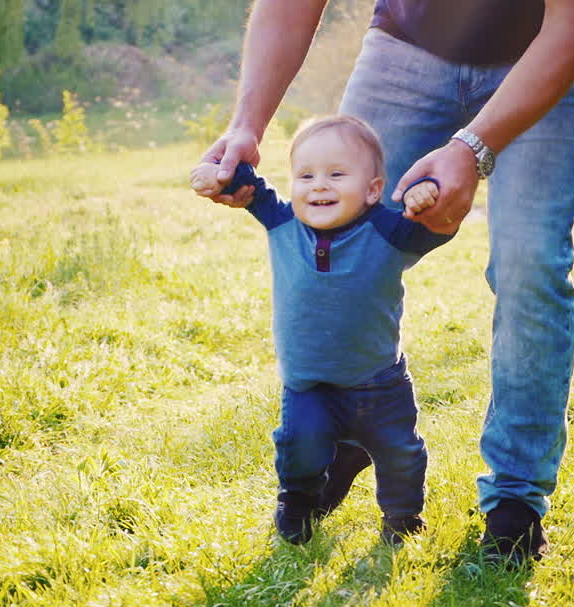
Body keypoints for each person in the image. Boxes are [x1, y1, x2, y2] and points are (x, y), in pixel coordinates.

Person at [198, 0, 574, 565]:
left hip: (548, 51)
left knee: (530, 262)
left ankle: (515, 498)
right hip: (407, 50)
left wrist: (472, 149)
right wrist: (247, 124)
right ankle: (349, 427)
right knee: (342, 230)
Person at [192, 115, 452, 546]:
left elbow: (436, 224)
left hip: (379, 383)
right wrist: (217, 174)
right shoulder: (282, 221)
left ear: (372, 190)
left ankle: (403, 518)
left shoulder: (387, 229)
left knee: (400, 453)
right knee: (300, 445)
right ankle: (297, 504)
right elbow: (247, 184)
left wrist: (429, 196)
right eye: (306, 175)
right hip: (309, 383)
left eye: (336, 174)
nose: (319, 186)